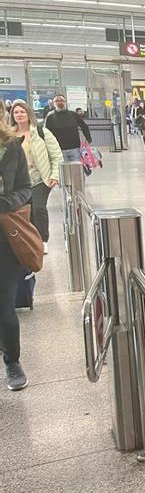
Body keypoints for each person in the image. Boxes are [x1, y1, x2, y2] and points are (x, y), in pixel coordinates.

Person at [0, 121, 33, 391]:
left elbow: (25, 188)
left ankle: (12, 361)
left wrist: (5, 203)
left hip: (4, 239)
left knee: (4, 307)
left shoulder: (12, 147)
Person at [10, 100, 63, 254]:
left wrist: (55, 175)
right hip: (19, 181)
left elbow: (56, 155)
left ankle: (43, 239)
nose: (19, 115)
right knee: (26, 210)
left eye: (22, 112)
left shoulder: (41, 132)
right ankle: (31, 239)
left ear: (28, 114)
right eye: (16, 112)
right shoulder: (10, 135)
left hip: (40, 178)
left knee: (39, 208)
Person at [44, 94, 92, 165]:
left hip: (75, 148)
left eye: (62, 100)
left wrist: (88, 139)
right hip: (59, 149)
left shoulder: (73, 114)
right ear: (54, 104)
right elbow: (46, 132)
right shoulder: (50, 116)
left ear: (65, 102)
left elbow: (84, 126)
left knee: (77, 171)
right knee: (62, 172)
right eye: (57, 101)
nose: (60, 102)